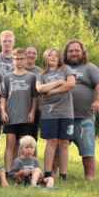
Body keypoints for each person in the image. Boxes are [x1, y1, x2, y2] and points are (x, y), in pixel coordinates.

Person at [63, 40, 99, 180]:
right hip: (63, 116)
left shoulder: (90, 68)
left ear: (82, 52)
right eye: (71, 51)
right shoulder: (61, 68)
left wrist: (98, 101)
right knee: (59, 148)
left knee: (87, 149)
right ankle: (56, 175)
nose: (74, 53)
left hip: (84, 117)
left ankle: (89, 178)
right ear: (66, 53)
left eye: (77, 50)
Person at [36, 48, 76, 181]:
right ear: (45, 58)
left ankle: (63, 175)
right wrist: (59, 82)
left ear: (59, 58)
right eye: (49, 55)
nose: (52, 57)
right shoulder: (41, 74)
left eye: (55, 56)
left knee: (64, 142)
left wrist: (52, 91)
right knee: (51, 141)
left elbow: (70, 84)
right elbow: (40, 88)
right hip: (49, 113)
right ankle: (48, 173)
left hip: (66, 112)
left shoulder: (66, 69)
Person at [0, 48, 38, 171]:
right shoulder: (7, 77)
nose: (19, 61)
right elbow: (3, 96)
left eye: (21, 59)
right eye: (16, 59)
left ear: (26, 60)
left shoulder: (32, 77)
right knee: (10, 145)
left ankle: (22, 171)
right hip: (11, 116)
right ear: (13, 60)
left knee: (24, 147)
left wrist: (32, 112)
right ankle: (8, 171)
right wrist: (3, 111)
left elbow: (34, 97)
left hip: (26, 117)